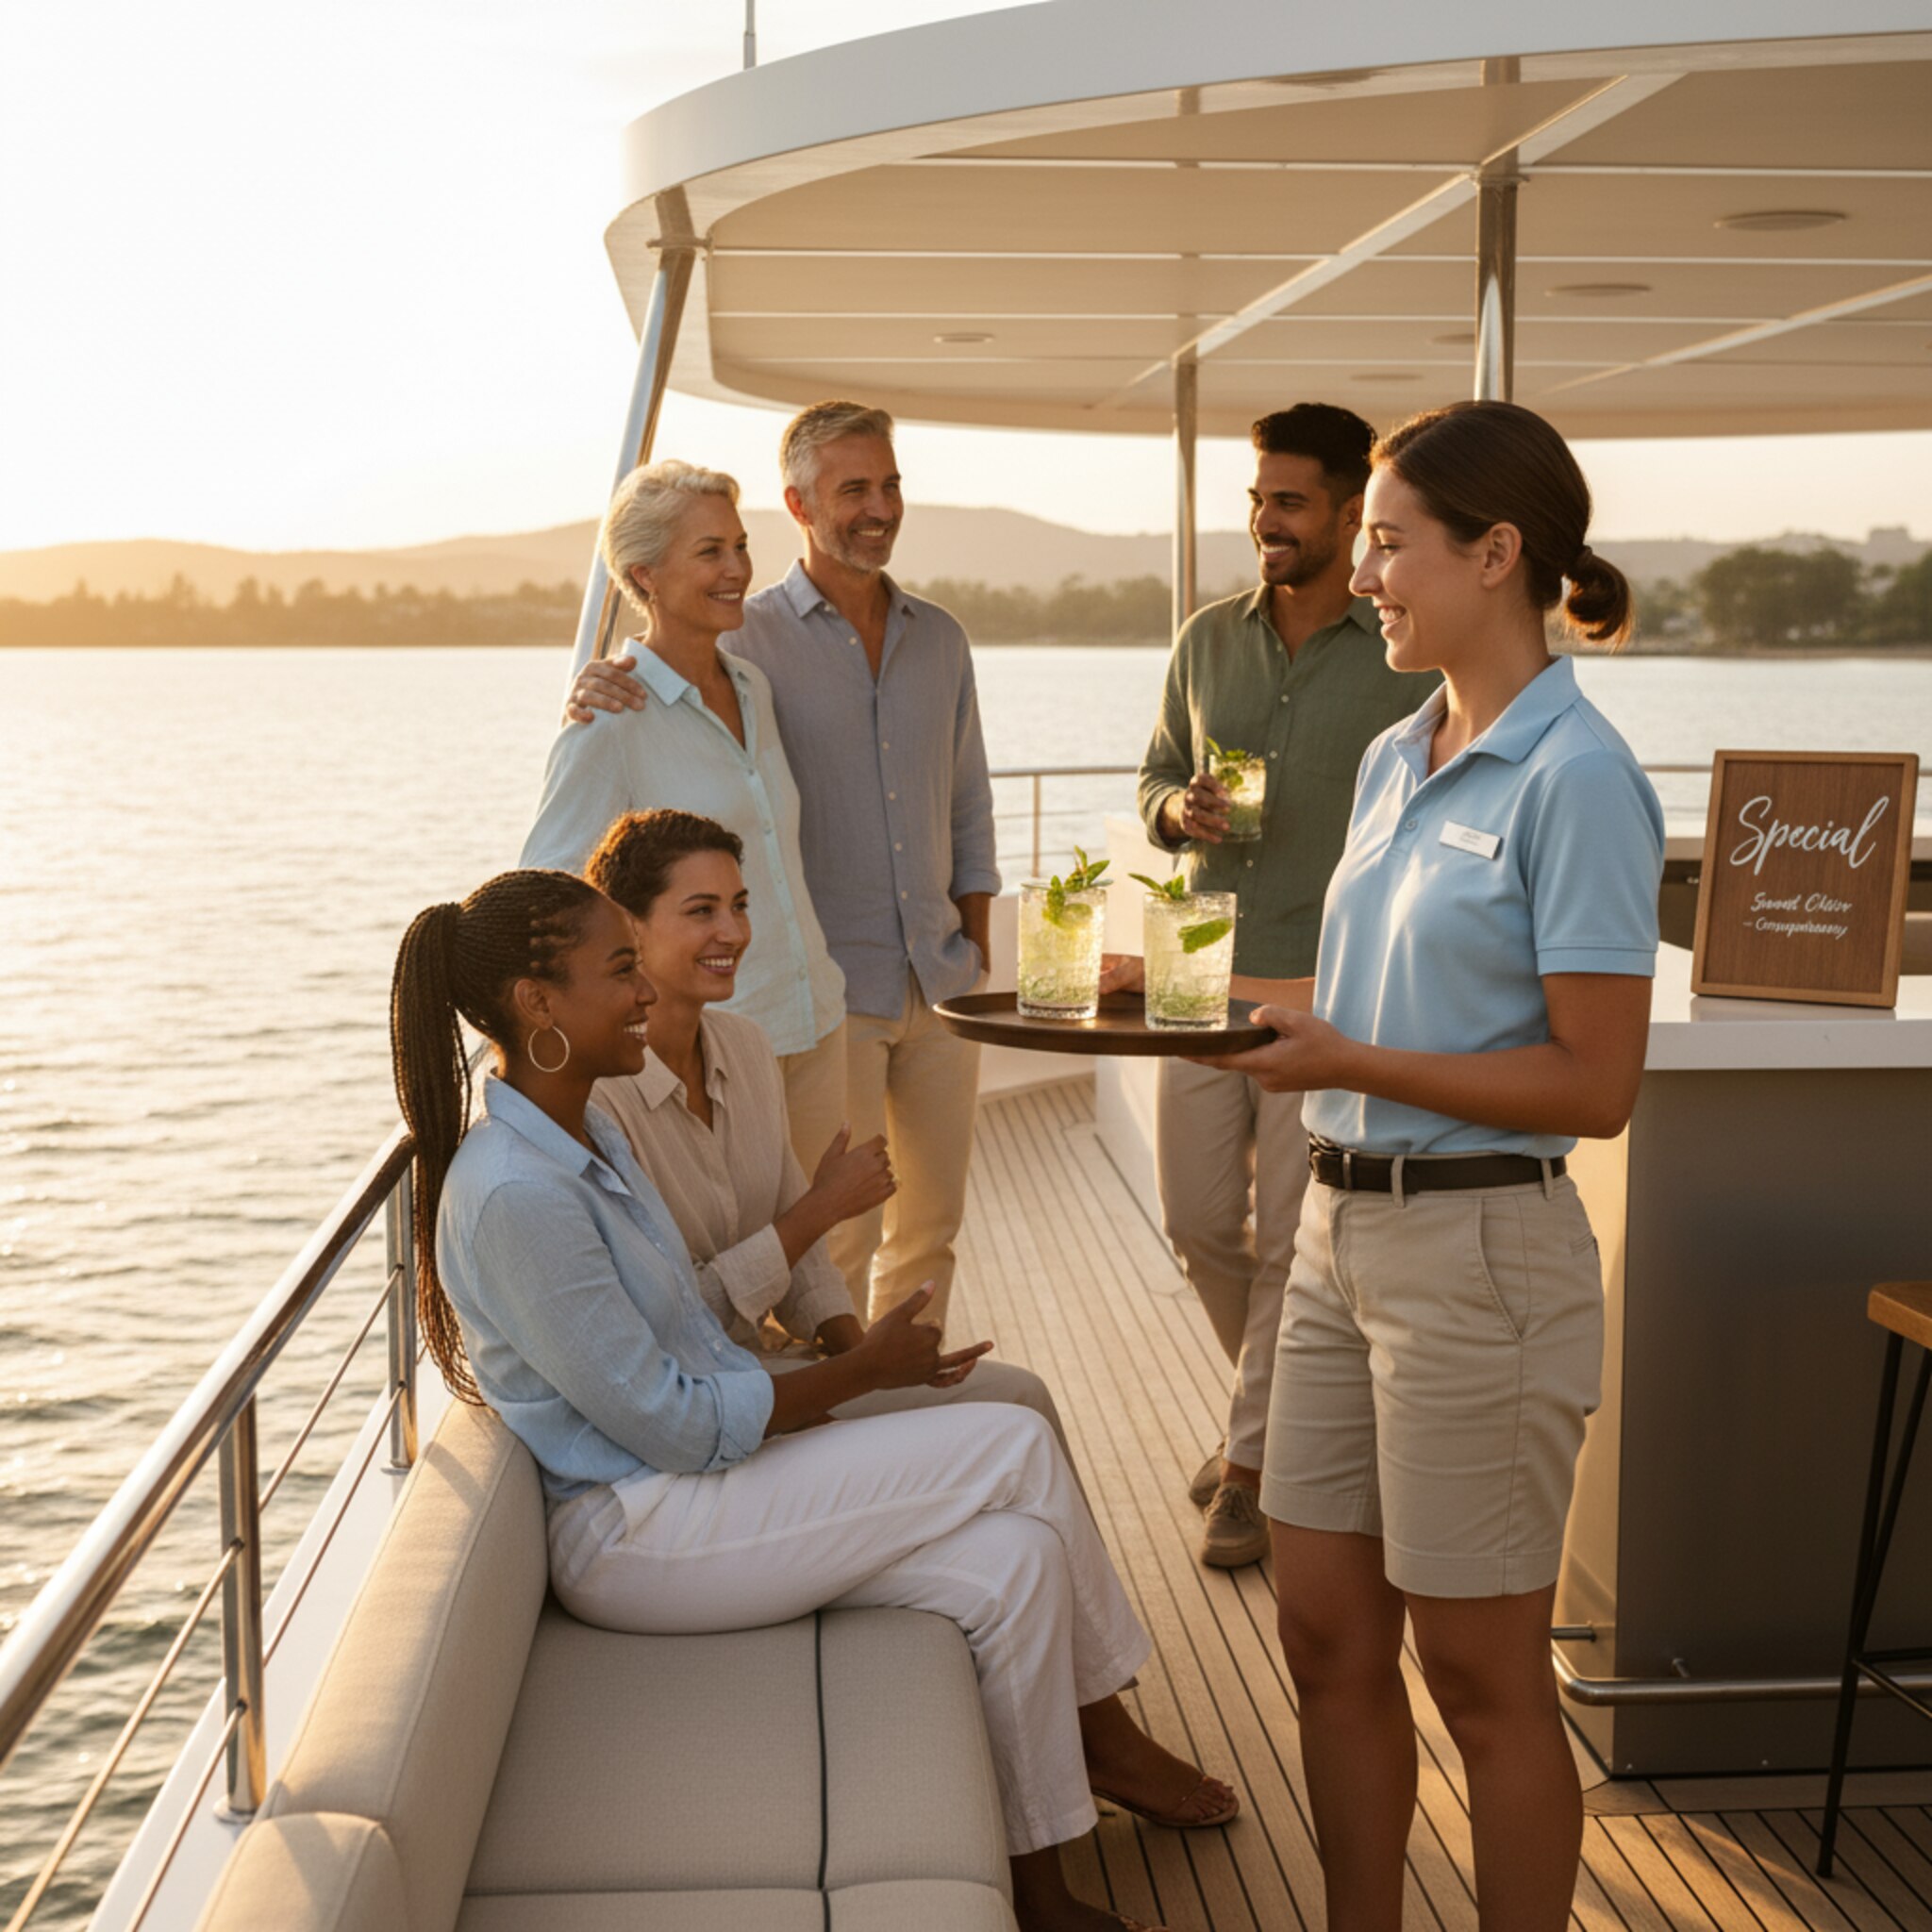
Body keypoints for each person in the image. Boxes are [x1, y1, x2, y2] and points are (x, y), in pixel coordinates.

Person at [389, 867, 1238, 1932]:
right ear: (537, 1003)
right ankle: (1109, 1736)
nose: (644, 992)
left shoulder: (585, 1134)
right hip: (638, 1528)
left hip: (697, 1487)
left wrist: (835, 1374)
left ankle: (1040, 1894)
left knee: (1016, 1561)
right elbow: (673, 1425)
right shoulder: (517, 1192)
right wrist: (860, 1372)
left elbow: (684, 1332)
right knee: (1012, 1443)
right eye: (620, 970)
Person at [1153, 399, 1662, 1930]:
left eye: (1388, 542)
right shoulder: (1395, 753)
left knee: (1479, 1673)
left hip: (1480, 1260)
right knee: (1321, 1637)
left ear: (1494, 554)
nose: (1363, 573)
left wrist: (1348, 1063)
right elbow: (1361, 1000)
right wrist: (1203, 1010)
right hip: (1337, 1244)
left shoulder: (1577, 778)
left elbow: (1594, 1084)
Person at [562, 401, 999, 1337]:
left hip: (878, 990)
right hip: (757, 1018)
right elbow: (561, 880)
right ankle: (820, 1401)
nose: (877, 506)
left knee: (919, 1228)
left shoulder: (770, 679)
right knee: (818, 1246)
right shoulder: (720, 652)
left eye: (889, 485)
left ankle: (896, 1391)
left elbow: (967, 797)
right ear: (799, 504)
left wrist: (976, 937)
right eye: (853, 488)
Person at [1135, 405, 1440, 1568]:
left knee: (1283, 1242)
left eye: (1289, 501)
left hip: (1325, 990)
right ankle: (1262, 1417)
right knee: (1197, 1220)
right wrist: (1177, 810)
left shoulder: (1401, 654)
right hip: (1199, 977)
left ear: (1349, 513)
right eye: (1258, 498)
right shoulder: (1205, 637)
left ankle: (1251, 1469)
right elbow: (1157, 769)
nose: (1265, 519)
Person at [582, 804, 1073, 1453]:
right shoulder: (599, 1101)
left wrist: (867, 1355)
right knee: (1003, 1433)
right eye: (701, 911)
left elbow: (804, 1263)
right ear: (629, 927)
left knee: (1022, 1397)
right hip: (712, 1410)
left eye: (740, 906)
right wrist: (821, 1210)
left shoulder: (747, 1048)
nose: (733, 932)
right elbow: (674, 1322)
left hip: (782, 1370)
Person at [520, 459, 849, 1179]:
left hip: (818, 1018)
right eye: (709, 552)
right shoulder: (610, 720)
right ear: (645, 577)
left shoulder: (753, 687)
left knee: (836, 1233)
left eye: (740, 546)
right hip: (711, 1051)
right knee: (736, 1240)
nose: (737, 569)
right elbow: (546, 894)